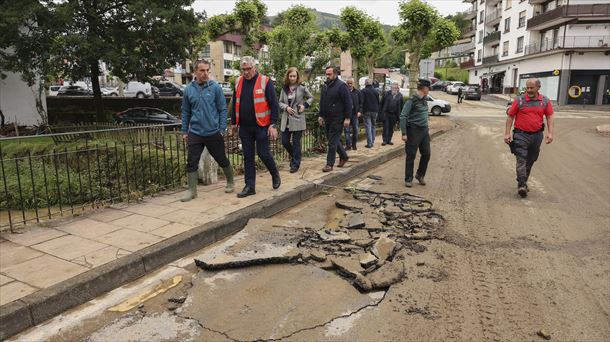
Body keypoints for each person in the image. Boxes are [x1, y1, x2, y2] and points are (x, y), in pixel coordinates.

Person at [180, 59, 234, 202]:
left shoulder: (215, 88)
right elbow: (185, 112)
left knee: (221, 158)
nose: (205, 73)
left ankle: (230, 182)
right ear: (195, 72)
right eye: (202, 71)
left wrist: (221, 129)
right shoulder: (188, 90)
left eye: (207, 71)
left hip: (213, 132)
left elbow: (223, 109)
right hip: (196, 132)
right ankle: (192, 190)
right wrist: (185, 131)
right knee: (192, 161)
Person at [230, 56, 281, 198]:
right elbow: (235, 103)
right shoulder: (238, 82)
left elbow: (274, 105)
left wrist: (273, 124)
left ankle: (275, 173)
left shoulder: (265, 81)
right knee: (248, 156)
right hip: (245, 126)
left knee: (263, 153)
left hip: (262, 125)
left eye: (249, 69)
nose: (246, 72)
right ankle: (250, 186)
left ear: (255, 68)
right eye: (243, 69)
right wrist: (234, 122)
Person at [504, 78, 554, 198]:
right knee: (521, 159)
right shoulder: (519, 100)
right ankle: (522, 184)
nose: (529, 90)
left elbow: (550, 116)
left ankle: (523, 180)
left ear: (538, 87)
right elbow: (510, 116)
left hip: (537, 136)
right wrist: (507, 133)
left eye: (532, 88)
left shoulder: (545, 101)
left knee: (531, 160)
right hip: (521, 135)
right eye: (527, 88)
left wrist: (550, 133)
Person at [278, 67, 313, 173]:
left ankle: (295, 164)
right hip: (286, 119)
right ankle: (295, 157)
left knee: (296, 142)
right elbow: (279, 102)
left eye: (294, 76)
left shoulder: (302, 88)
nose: (292, 78)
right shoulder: (284, 88)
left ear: (297, 77)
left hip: (298, 118)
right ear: (288, 76)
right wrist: (286, 107)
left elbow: (311, 97)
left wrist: (305, 105)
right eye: (290, 76)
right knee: (284, 141)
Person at [318, 66, 352, 172]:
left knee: (332, 142)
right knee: (332, 139)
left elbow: (348, 102)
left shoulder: (341, 86)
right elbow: (322, 102)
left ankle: (329, 164)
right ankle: (344, 156)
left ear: (335, 74)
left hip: (338, 118)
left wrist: (347, 118)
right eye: (326, 74)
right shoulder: (325, 86)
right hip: (328, 118)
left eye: (329, 74)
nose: (327, 76)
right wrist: (321, 115)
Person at [400, 79, 432, 188]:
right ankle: (408, 179)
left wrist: (427, 127)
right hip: (413, 131)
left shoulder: (424, 100)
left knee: (426, 153)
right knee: (411, 155)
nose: (429, 90)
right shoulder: (411, 101)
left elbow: (425, 114)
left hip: (424, 131)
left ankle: (420, 175)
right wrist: (404, 133)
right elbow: (403, 116)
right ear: (424, 88)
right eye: (428, 88)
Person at [360, 79, 380, 148]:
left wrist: (360, 110)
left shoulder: (363, 91)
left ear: (365, 83)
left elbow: (361, 102)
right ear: (371, 84)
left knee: (368, 126)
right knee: (373, 126)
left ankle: (369, 143)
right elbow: (378, 101)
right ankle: (372, 141)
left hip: (367, 111)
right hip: (375, 111)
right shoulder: (376, 91)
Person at [344, 78, 362, 150]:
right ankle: (348, 145)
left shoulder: (357, 92)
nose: (350, 85)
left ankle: (354, 144)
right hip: (346, 114)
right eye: (348, 83)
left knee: (356, 130)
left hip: (355, 114)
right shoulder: (344, 92)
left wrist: (360, 111)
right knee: (346, 130)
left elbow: (361, 103)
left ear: (353, 84)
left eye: (351, 83)